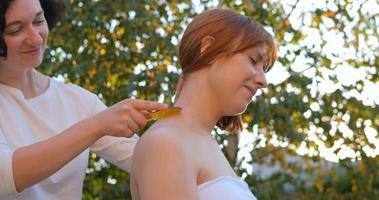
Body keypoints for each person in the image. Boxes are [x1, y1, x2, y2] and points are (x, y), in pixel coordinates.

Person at [0, 0, 168, 199]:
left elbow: (146, 160)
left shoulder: (76, 100)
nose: (35, 38)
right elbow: (5, 176)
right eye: (16, 30)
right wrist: (96, 127)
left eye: (38, 21)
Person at [131, 8, 277, 200]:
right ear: (208, 49)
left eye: (264, 69)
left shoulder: (201, 143)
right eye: (253, 60)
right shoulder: (166, 143)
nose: (263, 81)